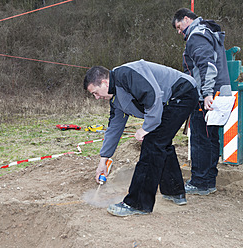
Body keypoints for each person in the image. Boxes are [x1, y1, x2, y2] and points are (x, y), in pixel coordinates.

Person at [83, 59, 198, 216]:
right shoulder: (115, 99)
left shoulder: (126, 74)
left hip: (182, 92)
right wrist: (103, 160)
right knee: (160, 142)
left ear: (104, 82)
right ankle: (174, 191)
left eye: (95, 93)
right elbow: (114, 128)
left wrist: (146, 128)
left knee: (153, 143)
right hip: (171, 100)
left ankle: (138, 203)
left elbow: (154, 96)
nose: (96, 98)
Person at [172, 8, 232, 195]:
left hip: (207, 96)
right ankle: (208, 180)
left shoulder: (197, 37)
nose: (179, 32)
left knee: (200, 139)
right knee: (210, 138)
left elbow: (207, 65)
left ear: (187, 19)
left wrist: (206, 94)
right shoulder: (208, 33)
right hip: (219, 92)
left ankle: (200, 182)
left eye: (179, 26)